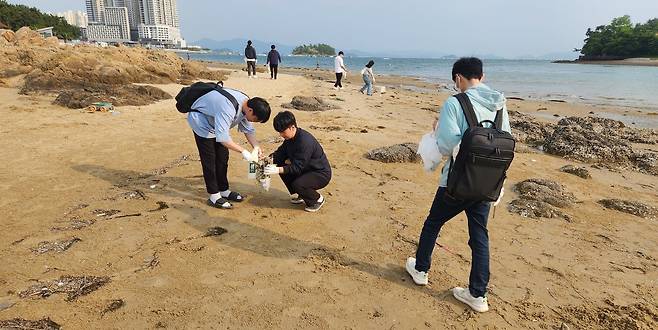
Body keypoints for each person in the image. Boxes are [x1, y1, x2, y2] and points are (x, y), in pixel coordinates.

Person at [404, 57, 511, 313]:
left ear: (458, 79)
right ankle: (477, 294)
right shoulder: (499, 104)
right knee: (479, 237)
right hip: (487, 184)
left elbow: (446, 145)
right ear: (481, 77)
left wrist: (436, 129)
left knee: (433, 223)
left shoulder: (454, 102)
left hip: (457, 182)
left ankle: (420, 270)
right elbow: (505, 139)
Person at [188, 87, 271, 209]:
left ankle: (223, 190)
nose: (254, 121)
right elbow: (223, 139)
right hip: (201, 122)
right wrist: (244, 151)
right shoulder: (228, 108)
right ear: (250, 110)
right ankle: (214, 196)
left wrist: (256, 147)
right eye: (255, 119)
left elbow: (248, 130)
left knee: (223, 157)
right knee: (210, 159)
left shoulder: (247, 105)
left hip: (216, 122)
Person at [263, 111, 331, 212]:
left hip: (320, 173)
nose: (281, 135)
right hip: (306, 169)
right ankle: (302, 194)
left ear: (292, 127)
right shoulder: (290, 138)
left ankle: (317, 199)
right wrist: (268, 159)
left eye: (283, 131)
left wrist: (277, 169)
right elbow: (281, 152)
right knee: (279, 160)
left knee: (297, 184)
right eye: (279, 132)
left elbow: (298, 167)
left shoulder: (304, 141)